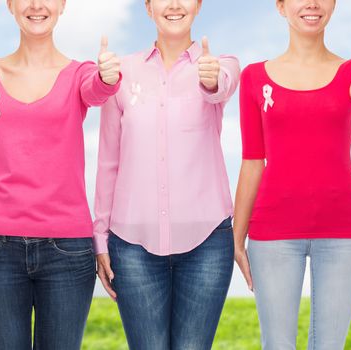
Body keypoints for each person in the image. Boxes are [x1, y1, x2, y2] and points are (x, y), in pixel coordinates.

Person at [0, 0, 121, 348]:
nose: (36, 5)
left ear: (62, 5)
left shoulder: (81, 74)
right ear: (10, 5)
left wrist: (108, 78)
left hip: (67, 251)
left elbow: (97, 90)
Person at [233, 0, 351, 348]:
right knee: (278, 344)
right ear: (281, 6)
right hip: (273, 234)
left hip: (344, 231)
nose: (312, 4)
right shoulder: (254, 77)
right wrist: (237, 238)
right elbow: (253, 161)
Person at [93, 0, 240, 348]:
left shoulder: (221, 65)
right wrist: (100, 237)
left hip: (207, 243)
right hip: (132, 246)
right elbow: (108, 160)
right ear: (147, 7)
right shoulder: (122, 73)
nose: (174, 5)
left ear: (199, 5)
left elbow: (222, 83)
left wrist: (210, 79)